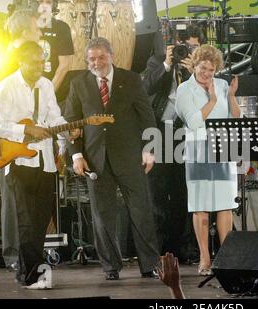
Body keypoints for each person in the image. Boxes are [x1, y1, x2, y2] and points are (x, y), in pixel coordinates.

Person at [65, 37, 160, 280]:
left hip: (130, 157)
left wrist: (149, 150)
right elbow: (71, 124)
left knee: (141, 211)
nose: (96, 63)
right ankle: (110, 267)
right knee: (101, 214)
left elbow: (147, 117)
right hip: (95, 160)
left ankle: (149, 264)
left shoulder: (131, 79)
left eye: (101, 57)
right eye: (92, 59)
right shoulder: (78, 84)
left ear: (111, 56)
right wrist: (76, 155)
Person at [0, 41, 78, 289]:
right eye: (36, 62)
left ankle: (31, 272)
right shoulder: (7, 86)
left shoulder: (46, 85)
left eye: (42, 62)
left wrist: (66, 132)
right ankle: (30, 276)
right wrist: (25, 129)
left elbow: (55, 116)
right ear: (22, 62)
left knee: (38, 221)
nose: (41, 66)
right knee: (25, 220)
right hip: (19, 160)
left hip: (45, 161)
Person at [175, 44, 241, 276]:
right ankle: (205, 257)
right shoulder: (184, 89)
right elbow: (193, 122)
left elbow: (236, 117)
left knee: (225, 205)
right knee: (201, 207)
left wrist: (231, 97)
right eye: (203, 68)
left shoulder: (223, 85)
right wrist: (212, 100)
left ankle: (227, 257)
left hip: (223, 148)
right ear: (195, 65)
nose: (207, 73)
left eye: (211, 70)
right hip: (197, 149)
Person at [142, 24, 204, 262]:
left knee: (185, 192)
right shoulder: (157, 61)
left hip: (188, 134)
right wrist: (168, 65)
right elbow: (145, 87)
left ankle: (186, 248)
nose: (188, 53)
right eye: (184, 48)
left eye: (194, 48)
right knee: (157, 193)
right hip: (160, 132)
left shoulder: (203, 68)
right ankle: (159, 250)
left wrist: (193, 74)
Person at [0, 8, 43, 271]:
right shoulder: (13, 60)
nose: (40, 33)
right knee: (14, 198)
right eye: (37, 28)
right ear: (26, 30)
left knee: (23, 202)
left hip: (25, 141)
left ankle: (22, 255)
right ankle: (15, 255)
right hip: (12, 141)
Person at [37, 0, 74, 100]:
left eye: (48, 2)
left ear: (54, 5)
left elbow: (64, 66)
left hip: (52, 89)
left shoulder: (61, 28)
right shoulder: (28, 25)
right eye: (40, 1)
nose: (44, 5)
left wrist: (48, 95)